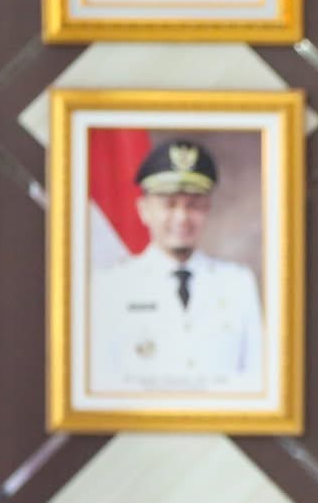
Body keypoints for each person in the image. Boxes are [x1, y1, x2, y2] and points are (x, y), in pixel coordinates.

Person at [89, 140, 264, 395]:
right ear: (144, 210)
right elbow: (100, 382)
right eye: (169, 204)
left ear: (207, 209)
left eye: (193, 204)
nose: (182, 218)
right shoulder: (111, 286)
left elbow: (257, 380)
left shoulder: (237, 283)